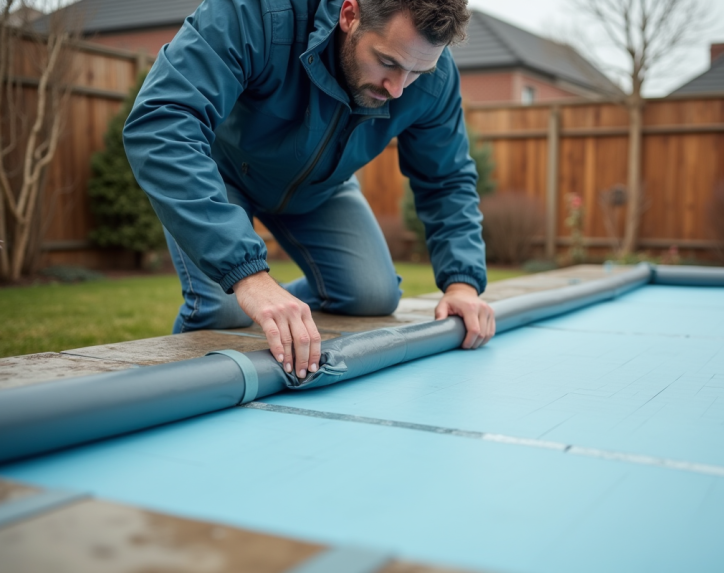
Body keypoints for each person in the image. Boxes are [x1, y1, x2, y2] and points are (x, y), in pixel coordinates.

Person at [123, 0, 495, 382]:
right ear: (350, 15)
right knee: (226, 308)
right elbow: (162, 125)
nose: (398, 88)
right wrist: (249, 278)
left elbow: (446, 178)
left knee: (372, 297)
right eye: (387, 62)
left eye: (418, 71)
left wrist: (462, 284)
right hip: (221, 177)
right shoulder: (256, 12)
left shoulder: (434, 74)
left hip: (321, 188)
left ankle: (279, 300)